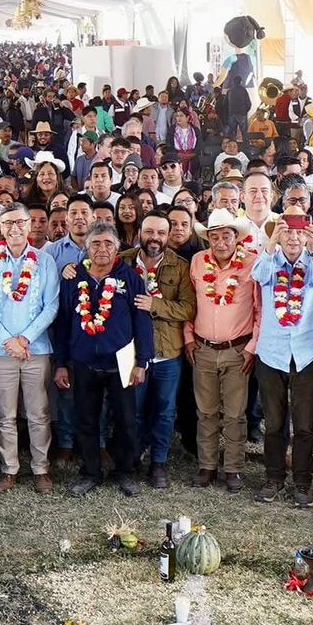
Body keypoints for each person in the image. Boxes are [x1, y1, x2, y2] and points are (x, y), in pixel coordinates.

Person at [52, 220, 153, 497]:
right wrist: (61, 362)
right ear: (87, 248)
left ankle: (125, 472)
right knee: (85, 419)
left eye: (108, 243)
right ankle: (90, 473)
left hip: (121, 362)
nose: (102, 249)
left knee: (125, 420)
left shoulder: (130, 278)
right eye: (96, 243)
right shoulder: (73, 279)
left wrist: (142, 362)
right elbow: (63, 323)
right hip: (84, 362)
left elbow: (142, 321)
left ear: (118, 248)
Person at [0, 202, 61, 492]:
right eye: (7, 223)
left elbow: (51, 306)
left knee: (39, 412)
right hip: (0, 351)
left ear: (29, 225)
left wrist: (24, 339)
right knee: (4, 414)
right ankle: (8, 468)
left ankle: (40, 469)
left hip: (36, 349)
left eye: (19, 222)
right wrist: (8, 341)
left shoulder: (44, 261)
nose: (14, 228)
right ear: (0, 227)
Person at [250, 207, 313, 506]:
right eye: (287, 228)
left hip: (307, 353)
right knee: (273, 423)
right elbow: (257, 275)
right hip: (271, 353)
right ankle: (273, 478)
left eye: (300, 229)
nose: (293, 236)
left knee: (302, 425)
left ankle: (302, 482)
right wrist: (271, 243)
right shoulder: (270, 261)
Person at [183, 209, 259, 492]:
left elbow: (259, 307)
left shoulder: (251, 263)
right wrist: (189, 337)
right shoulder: (198, 262)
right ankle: (207, 466)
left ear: (236, 237)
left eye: (226, 235)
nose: (220, 242)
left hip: (237, 349)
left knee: (236, 414)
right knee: (206, 412)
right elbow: (190, 303)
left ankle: (233, 469)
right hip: (203, 348)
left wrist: (252, 347)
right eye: (214, 236)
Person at [125, 209, 194, 490]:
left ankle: (159, 462)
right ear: (140, 232)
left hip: (167, 352)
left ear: (168, 236)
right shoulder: (124, 261)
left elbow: (189, 307)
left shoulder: (180, 266)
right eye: (150, 231)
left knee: (165, 411)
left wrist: (156, 305)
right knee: (135, 409)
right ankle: (133, 457)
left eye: (161, 233)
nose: (155, 238)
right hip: (132, 354)